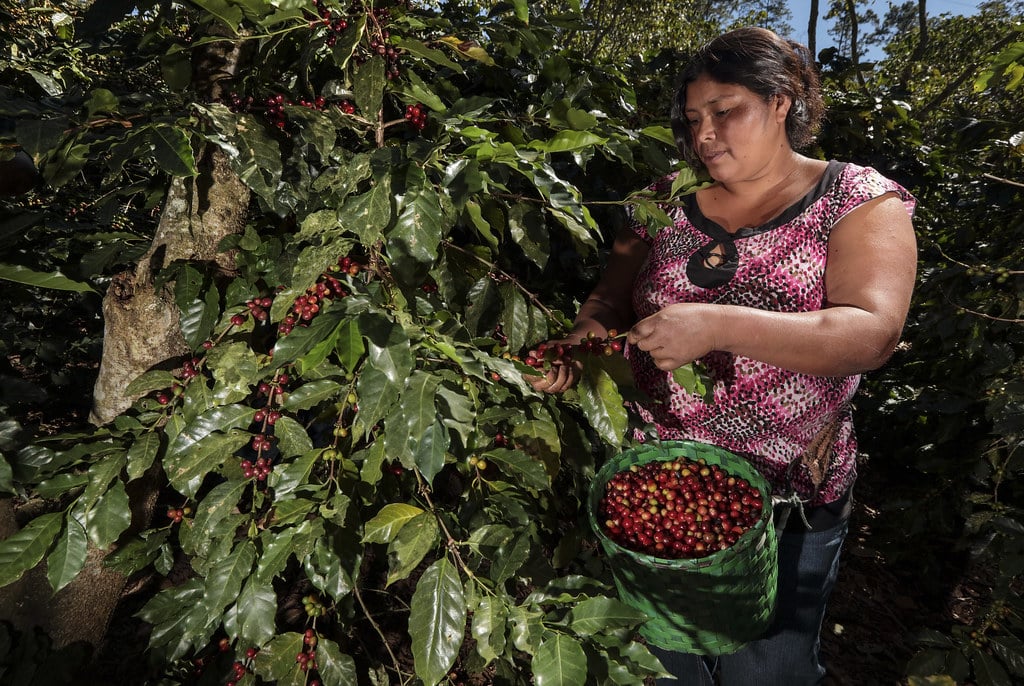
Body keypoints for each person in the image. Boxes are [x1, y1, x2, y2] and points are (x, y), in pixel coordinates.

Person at [528, 26, 917, 685]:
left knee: (768, 670)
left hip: (787, 498)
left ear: (782, 102)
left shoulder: (855, 199)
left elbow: (870, 333)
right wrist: (580, 345)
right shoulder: (661, 202)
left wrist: (714, 325)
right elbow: (608, 301)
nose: (705, 135)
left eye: (725, 111)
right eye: (693, 119)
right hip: (657, 487)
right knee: (664, 662)